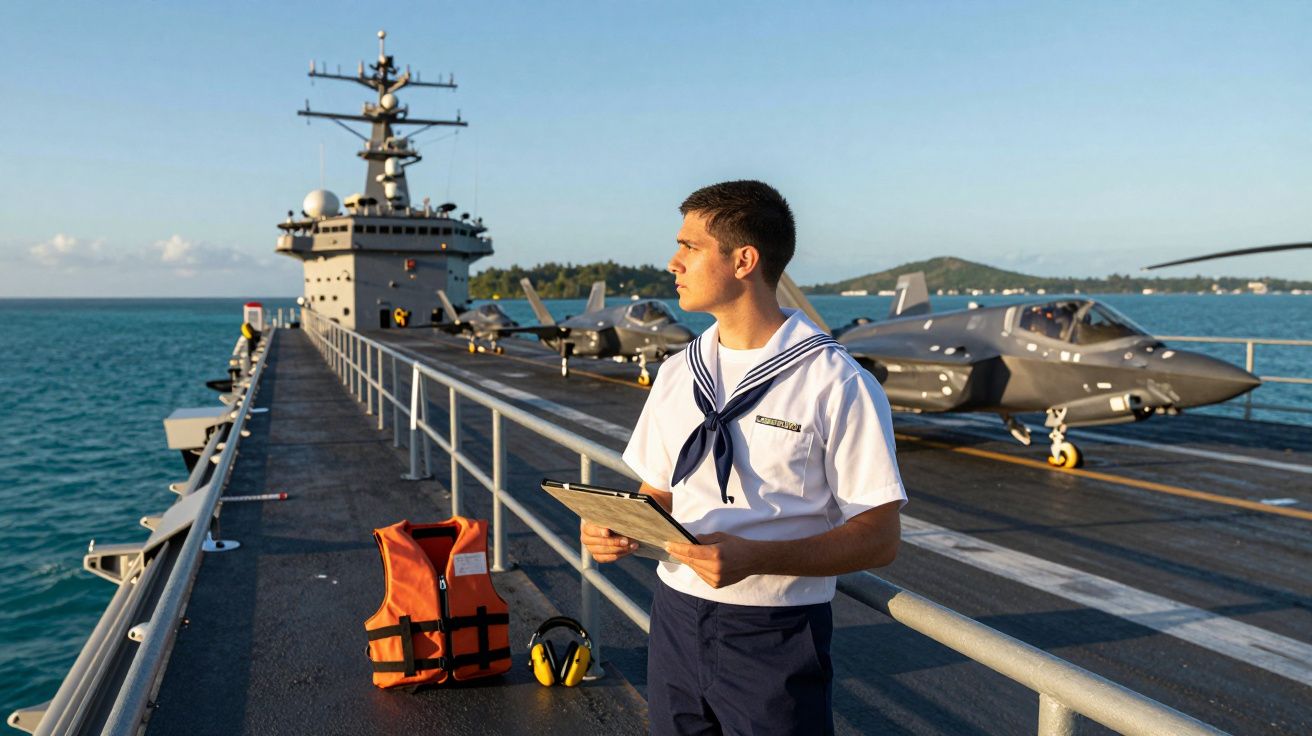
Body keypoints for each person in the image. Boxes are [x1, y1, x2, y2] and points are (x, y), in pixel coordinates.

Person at [580, 180, 906, 735]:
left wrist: (757, 557)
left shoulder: (834, 381)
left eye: (690, 246)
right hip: (675, 615)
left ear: (744, 260)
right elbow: (659, 489)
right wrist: (620, 525)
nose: (672, 262)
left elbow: (880, 536)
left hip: (775, 632)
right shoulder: (679, 371)